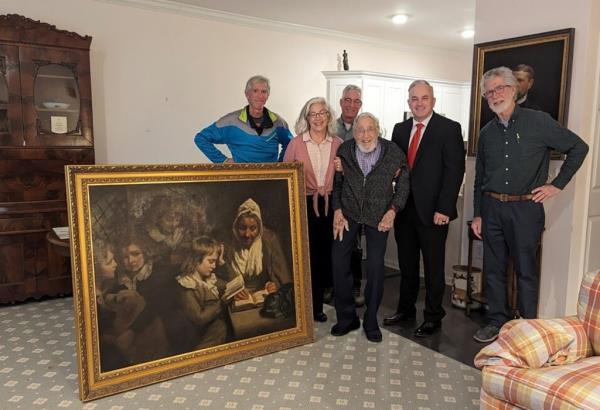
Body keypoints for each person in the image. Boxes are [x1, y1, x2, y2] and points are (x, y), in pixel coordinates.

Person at [472, 66, 588, 343]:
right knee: (495, 269)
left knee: (526, 269)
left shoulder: (538, 122)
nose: (495, 95)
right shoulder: (487, 133)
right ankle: (497, 320)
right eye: (489, 92)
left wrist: (556, 185)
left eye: (500, 88)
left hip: (525, 209)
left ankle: (526, 325)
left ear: (514, 90)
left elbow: (578, 148)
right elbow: (480, 178)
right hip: (492, 208)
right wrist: (478, 215)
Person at [384, 80, 465, 338]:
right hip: (405, 209)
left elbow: (455, 171)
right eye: (414, 99)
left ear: (433, 101)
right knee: (407, 266)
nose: (419, 103)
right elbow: (394, 166)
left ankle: (433, 317)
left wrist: (445, 207)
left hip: (434, 212)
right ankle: (405, 310)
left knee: (432, 268)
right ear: (408, 102)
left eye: (424, 98)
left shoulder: (449, 128)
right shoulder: (400, 129)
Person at [330, 112, 409, 343]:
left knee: (375, 268)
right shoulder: (344, 150)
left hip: (379, 216)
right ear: (354, 133)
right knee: (338, 262)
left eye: (370, 129)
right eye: (360, 130)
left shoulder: (393, 152)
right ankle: (346, 318)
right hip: (348, 213)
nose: (365, 135)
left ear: (378, 129)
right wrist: (337, 210)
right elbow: (337, 185)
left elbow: (403, 184)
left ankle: (371, 321)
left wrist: (393, 210)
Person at [284, 97, 343, 323]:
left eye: (322, 113)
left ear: (329, 116)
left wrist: (344, 168)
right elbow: (285, 178)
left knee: (330, 256)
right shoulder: (296, 144)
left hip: (333, 204)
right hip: (305, 205)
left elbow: (348, 176)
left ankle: (335, 304)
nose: (318, 118)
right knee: (309, 258)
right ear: (306, 118)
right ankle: (313, 307)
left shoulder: (338, 143)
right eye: (313, 113)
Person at [193, 75, 292, 163]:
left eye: (264, 92)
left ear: (268, 95)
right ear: (247, 94)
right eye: (255, 91)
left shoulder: (278, 122)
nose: (260, 96)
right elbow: (201, 138)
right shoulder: (231, 121)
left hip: (272, 180)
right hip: (241, 180)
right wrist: (223, 161)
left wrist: (281, 165)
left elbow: (291, 144)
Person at [334, 84, 365, 307]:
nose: (351, 105)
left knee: (354, 244)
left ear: (360, 105)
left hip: (356, 196)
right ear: (341, 102)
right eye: (347, 100)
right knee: (334, 240)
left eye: (356, 101)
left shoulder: (366, 128)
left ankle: (354, 286)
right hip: (332, 192)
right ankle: (331, 285)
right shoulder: (328, 127)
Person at [172, 236, 229, 353]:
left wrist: (222, 263)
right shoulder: (187, 285)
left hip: (218, 332)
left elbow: (230, 284)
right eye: (211, 261)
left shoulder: (209, 279)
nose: (214, 266)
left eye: (215, 261)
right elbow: (199, 319)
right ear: (197, 260)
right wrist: (221, 303)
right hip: (202, 341)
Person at [227, 198, 292, 297]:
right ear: (236, 226)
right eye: (242, 228)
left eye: (253, 228)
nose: (247, 234)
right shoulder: (229, 244)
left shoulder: (270, 241)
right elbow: (218, 279)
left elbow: (284, 278)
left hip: (263, 297)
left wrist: (275, 285)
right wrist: (233, 290)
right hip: (238, 301)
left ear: (260, 227)